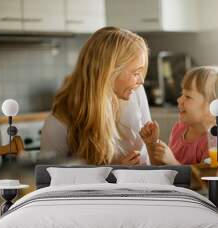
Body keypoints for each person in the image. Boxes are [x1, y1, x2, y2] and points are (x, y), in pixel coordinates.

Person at [39, 27, 151, 165]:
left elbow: (148, 152)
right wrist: (116, 174)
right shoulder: (59, 123)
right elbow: (49, 180)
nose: (141, 80)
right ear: (108, 72)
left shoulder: (136, 92)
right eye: (135, 73)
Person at [140, 66, 218, 165]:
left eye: (188, 96)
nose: (179, 100)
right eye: (182, 94)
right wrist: (151, 145)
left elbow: (204, 182)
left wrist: (173, 163)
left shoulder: (215, 143)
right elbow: (163, 170)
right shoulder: (179, 129)